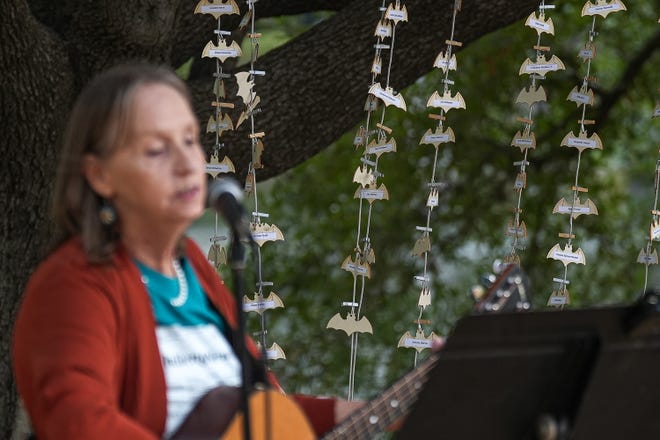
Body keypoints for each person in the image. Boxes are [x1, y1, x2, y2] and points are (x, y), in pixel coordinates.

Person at [12, 63, 360, 439]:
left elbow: (265, 412)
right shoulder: (73, 284)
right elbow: (79, 423)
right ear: (100, 175)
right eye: (157, 150)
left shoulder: (191, 266)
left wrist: (382, 410)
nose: (187, 164)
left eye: (191, 140)